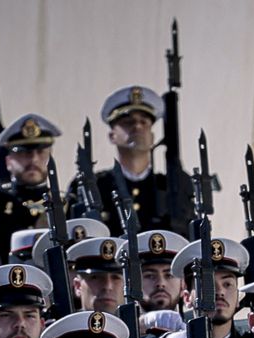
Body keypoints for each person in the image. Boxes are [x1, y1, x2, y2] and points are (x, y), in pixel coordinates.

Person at [67, 85, 194, 236]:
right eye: (128, 121)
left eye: (144, 122)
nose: (137, 126)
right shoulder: (93, 186)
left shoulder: (172, 186)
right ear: (112, 136)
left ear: (152, 137)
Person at [0, 114, 63, 258]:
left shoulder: (65, 202)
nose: (33, 159)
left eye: (40, 152)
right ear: (8, 161)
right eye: (24, 153)